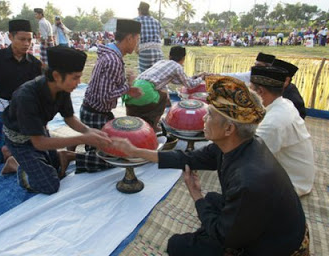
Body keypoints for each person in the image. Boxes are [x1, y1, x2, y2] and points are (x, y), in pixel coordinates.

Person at [111, 76, 309, 256]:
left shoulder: (248, 180)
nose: (204, 118)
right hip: (263, 223)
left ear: (229, 128)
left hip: (276, 247)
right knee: (214, 200)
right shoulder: (240, 144)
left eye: (210, 115)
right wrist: (136, 152)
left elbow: (224, 237)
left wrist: (196, 195)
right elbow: (186, 158)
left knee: (177, 246)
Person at [1, 47, 112, 194]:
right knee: (50, 185)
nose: (79, 82)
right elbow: (38, 143)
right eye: (75, 77)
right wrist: (83, 137)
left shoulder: (62, 89)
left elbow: (69, 118)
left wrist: (90, 131)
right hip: (20, 141)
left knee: (56, 167)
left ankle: (25, 162)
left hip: (39, 132)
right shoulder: (26, 97)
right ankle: (15, 164)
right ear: (57, 76)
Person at [61, 19, 143, 173]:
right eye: (137, 39)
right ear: (130, 38)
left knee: (115, 144)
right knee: (114, 159)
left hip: (96, 111)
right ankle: (70, 156)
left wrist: (127, 89)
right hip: (95, 114)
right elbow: (105, 97)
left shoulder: (111, 53)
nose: (137, 44)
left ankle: (84, 145)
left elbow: (107, 88)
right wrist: (128, 86)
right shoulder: (113, 60)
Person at [0, 19, 42, 164]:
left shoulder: (35, 64)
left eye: (29, 39)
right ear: (10, 37)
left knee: (34, 152)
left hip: (24, 112)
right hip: (0, 110)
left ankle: (14, 157)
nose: (26, 43)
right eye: (22, 39)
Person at [249, 66, 316, 196]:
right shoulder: (284, 103)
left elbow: (248, 157)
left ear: (260, 91)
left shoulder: (274, 123)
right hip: (298, 177)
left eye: (250, 90)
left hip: (291, 184)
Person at [124, 46, 206, 130]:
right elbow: (190, 85)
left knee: (157, 94)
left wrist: (195, 77)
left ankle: (132, 123)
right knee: (164, 97)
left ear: (169, 56)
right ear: (183, 59)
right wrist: (201, 78)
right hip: (145, 91)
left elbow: (179, 81)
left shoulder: (161, 62)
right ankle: (154, 125)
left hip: (132, 90)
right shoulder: (177, 67)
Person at [135, 1, 164, 73]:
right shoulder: (156, 21)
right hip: (158, 52)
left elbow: (135, 37)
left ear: (139, 10)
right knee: (157, 75)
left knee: (144, 76)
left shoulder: (136, 20)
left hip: (145, 52)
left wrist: (136, 49)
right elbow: (161, 35)